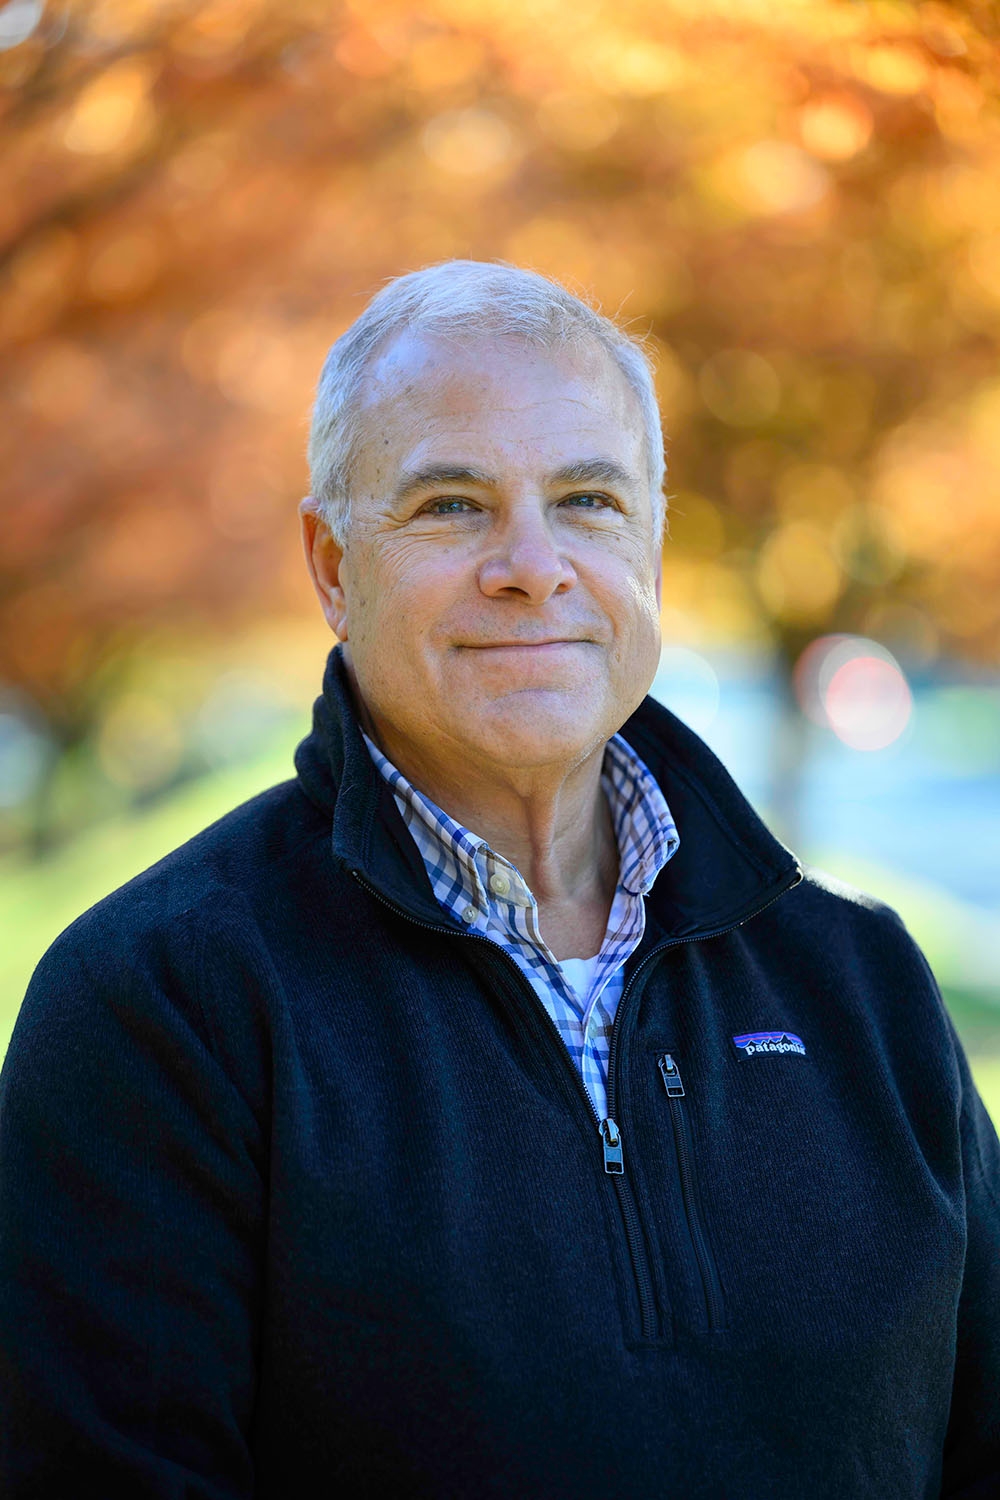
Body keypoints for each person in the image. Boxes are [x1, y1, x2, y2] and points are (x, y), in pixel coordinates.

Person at [1, 260, 997, 1499]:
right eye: (452, 506)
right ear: (329, 566)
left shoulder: (866, 986)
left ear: (650, 547)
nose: (533, 566)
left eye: (587, 500)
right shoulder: (160, 1006)